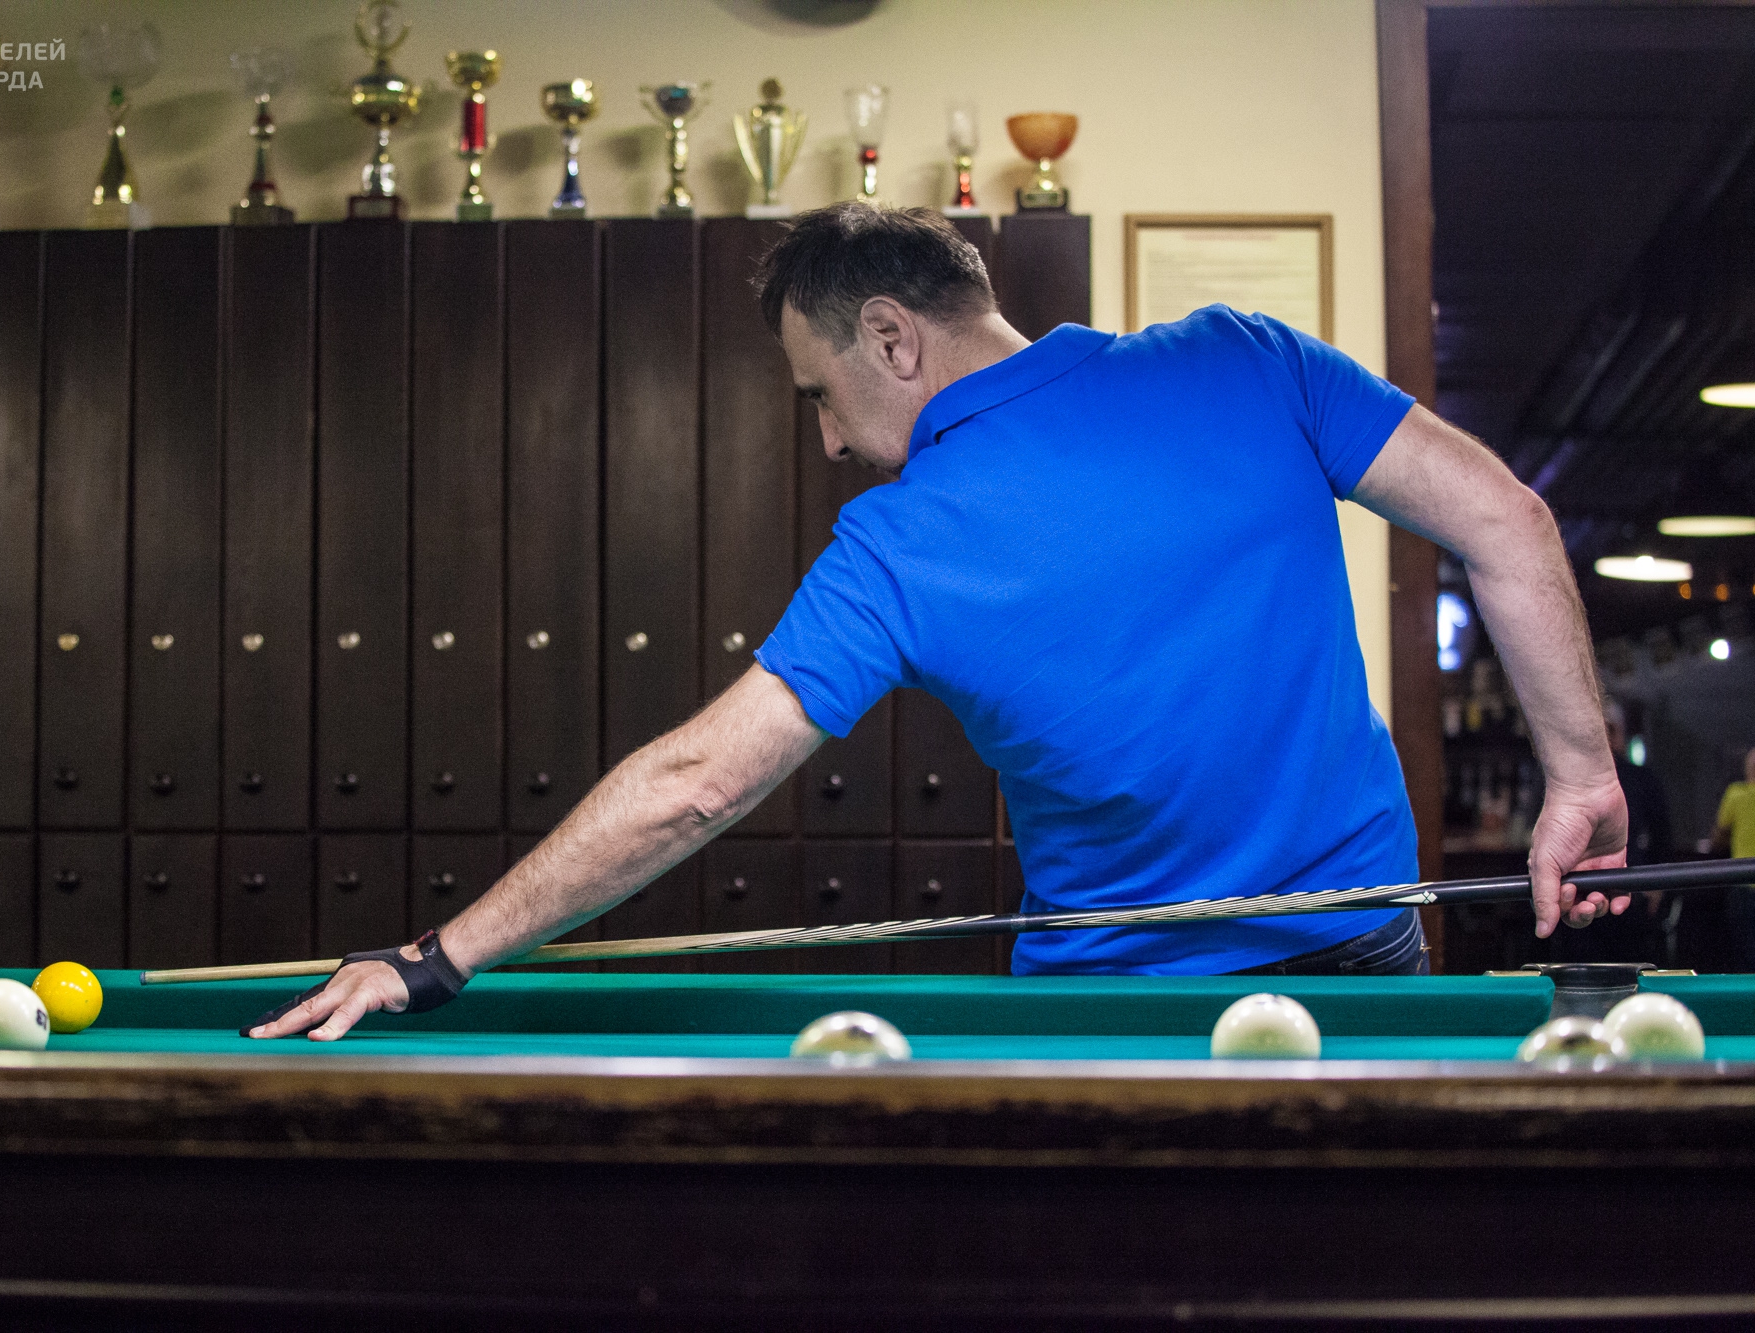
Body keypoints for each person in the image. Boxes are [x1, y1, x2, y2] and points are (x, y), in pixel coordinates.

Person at [249, 205, 1628, 1041]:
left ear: (893, 338)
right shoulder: (1247, 357)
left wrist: (438, 956)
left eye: (817, 394)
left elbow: (698, 782)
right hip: (1368, 961)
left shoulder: (894, 545)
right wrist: (1580, 780)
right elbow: (1507, 520)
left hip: (1113, 1014)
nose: (829, 441)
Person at [1551, 701, 1673, 964]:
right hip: (1583, 885)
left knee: (1628, 963)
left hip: (1625, 885)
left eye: (1608, 730)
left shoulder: (1641, 778)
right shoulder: (1570, 782)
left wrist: (1656, 884)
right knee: (1582, 962)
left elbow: (1661, 834)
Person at [1716, 748, 1755, 970]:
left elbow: (1719, 836)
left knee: (1744, 954)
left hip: (1743, 885)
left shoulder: (1736, 794)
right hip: (1743, 884)